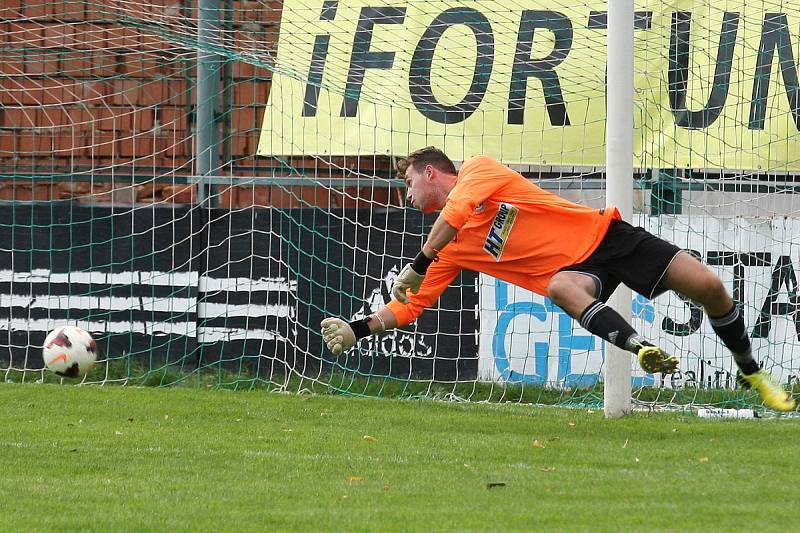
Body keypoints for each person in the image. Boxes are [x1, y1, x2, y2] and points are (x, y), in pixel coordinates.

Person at [320, 147, 796, 412]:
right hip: (578, 272)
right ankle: (640, 349)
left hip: (608, 237)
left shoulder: (478, 172)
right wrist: (360, 328)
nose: (406, 195)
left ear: (431, 172)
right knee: (560, 288)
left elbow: (459, 210)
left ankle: (751, 372)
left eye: (408, 183)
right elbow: (412, 303)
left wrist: (419, 261)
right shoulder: (446, 244)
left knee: (710, 288)